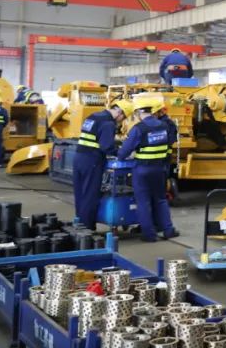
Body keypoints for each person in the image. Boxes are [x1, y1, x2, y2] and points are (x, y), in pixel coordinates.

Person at [117, 97, 179, 242]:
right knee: (161, 200)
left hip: (142, 170)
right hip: (160, 169)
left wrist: (122, 154)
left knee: (143, 202)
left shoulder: (139, 129)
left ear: (138, 112)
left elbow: (123, 153)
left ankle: (149, 235)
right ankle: (168, 230)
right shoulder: (164, 126)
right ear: (151, 111)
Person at [73, 100, 132, 229]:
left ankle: (80, 223)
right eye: (123, 118)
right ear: (120, 113)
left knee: (80, 193)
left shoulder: (93, 116)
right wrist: (122, 153)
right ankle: (87, 228)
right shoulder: (108, 123)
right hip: (91, 161)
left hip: (78, 157)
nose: (121, 121)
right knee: (90, 194)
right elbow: (107, 147)